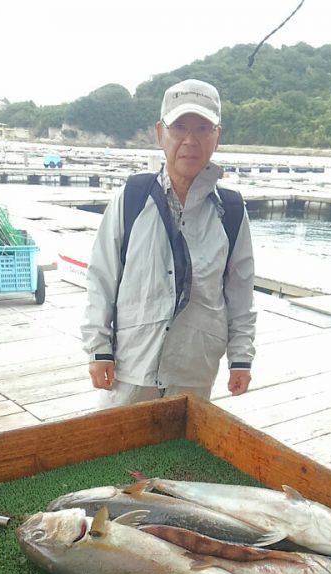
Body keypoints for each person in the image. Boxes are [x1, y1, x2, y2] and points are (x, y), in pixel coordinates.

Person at [81, 78, 256, 406]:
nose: (190, 140)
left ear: (217, 137)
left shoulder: (231, 211)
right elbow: (101, 278)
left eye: (203, 128)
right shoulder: (131, 197)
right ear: (161, 133)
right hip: (129, 366)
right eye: (180, 128)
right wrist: (98, 348)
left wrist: (241, 357)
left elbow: (241, 292)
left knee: (178, 457)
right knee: (116, 453)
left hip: (194, 370)